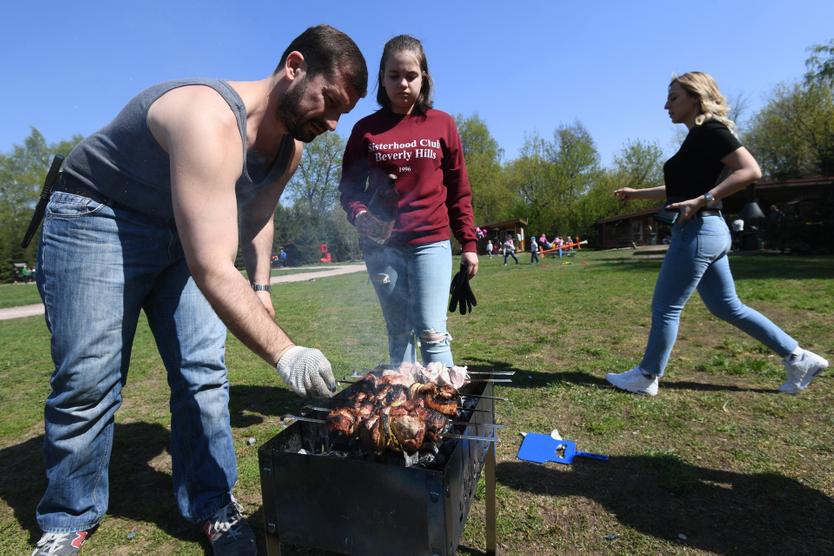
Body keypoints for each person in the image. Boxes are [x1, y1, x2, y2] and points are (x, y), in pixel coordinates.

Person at [31, 25, 367, 556]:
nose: (331, 121)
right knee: (88, 379)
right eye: (329, 102)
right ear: (295, 66)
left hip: (179, 234)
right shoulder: (207, 116)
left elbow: (256, 217)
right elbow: (212, 265)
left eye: (341, 113)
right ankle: (68, 515)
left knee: (204, 373)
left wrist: (260, 283)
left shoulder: (288, 151)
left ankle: (212, 505)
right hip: (96, 218)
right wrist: (288, 353)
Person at [606, 71, 828, 397]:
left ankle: (646, 375)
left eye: (674, 97)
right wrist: (636, 193)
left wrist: (704, 199)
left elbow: (750, 169)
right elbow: (680, 189)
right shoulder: (697, 137)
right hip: (711, 230)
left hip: (698, 230)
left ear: (695, 98)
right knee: (728, 307)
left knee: (666, 308)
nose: (666, 105)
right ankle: (799, 358)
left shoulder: (710, 130)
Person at [339, 34, 477, 368]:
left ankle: (444, 414)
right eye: (393, 75)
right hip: (382, 248)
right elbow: (349, 190)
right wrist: (359, 215)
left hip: (430, 242)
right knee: (399, 333)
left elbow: (459, 188)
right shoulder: (365, 130)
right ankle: (403, 412)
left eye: (411, 76)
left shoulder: (442, 124)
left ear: (424, 78)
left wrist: (469, 242)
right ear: (382, 79)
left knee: (432, 332)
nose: (402, 83)